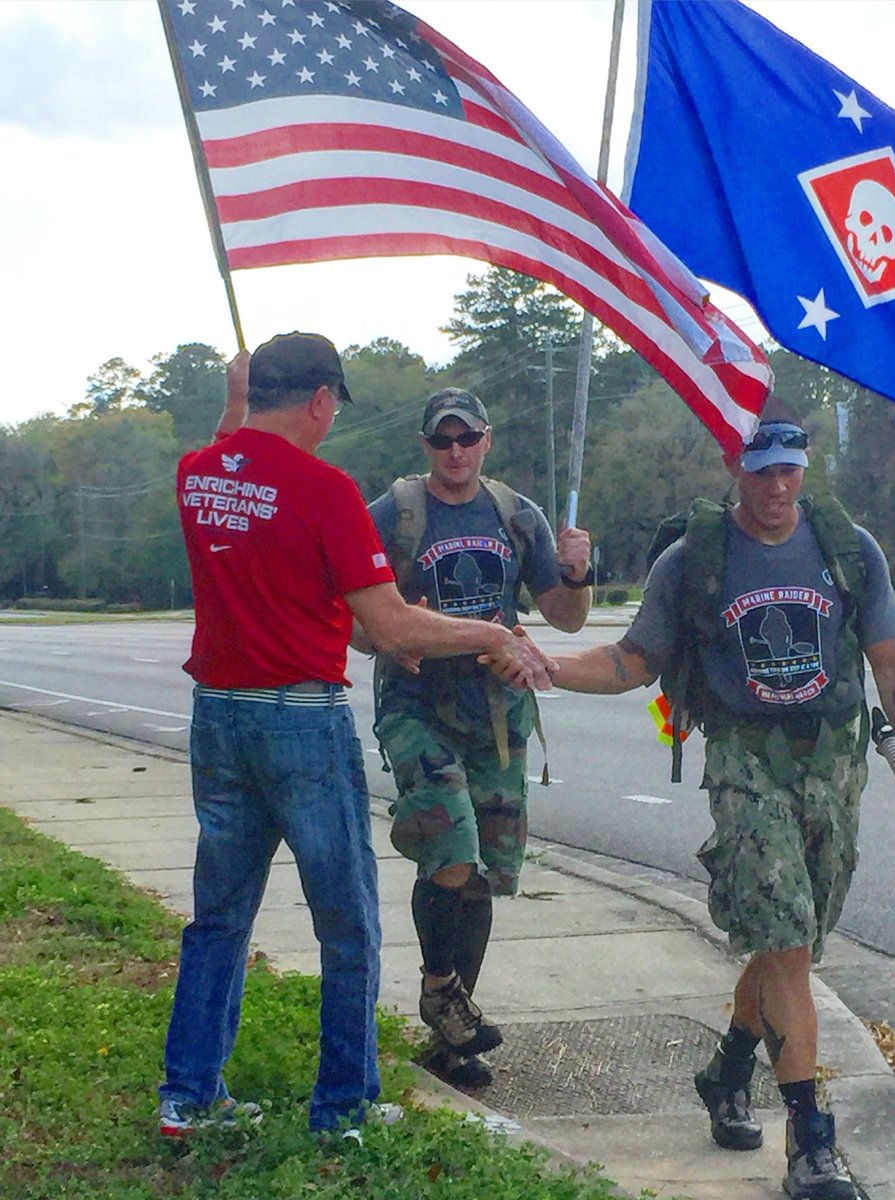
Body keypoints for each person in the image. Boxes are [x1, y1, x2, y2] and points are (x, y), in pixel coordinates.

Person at [515, 406, 895, 1200]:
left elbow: (894, 663)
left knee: (795, 941)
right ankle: (811, 1144)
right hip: (745, 764)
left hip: (833, 766)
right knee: (786, 946)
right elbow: (633, 660)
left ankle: (726, 1073)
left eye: (789, 469)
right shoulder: (694, 559)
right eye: (761, 471)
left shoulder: (848, 549)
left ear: (805, 468)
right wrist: (549, 666)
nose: (777, 485)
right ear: (735, 469)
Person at [160, 333, 553, 1140]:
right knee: (347, 923)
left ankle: (188, 1096)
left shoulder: (198, 475)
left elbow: (227, 444)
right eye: (332, 403)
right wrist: (491, 634)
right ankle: (342, 1105)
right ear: (318, 400)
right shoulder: (325, 490)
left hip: (218, 715)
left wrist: (233, 399)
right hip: (300, 720)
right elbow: (392, 625)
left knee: (218, 917)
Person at [359, 387, 593, 1088]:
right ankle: (440, 989)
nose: (455, 451)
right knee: (451, 846)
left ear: (486, 440)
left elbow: (567, 616)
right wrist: (386, 639)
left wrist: (578, 573)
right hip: (417, 706)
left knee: (484, 870)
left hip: (495, 711)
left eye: (467, 438)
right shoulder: (395, 514)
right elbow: (342, 609)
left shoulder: (516, 515)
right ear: (425, 445)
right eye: (442, 439)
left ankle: (454, 1037)